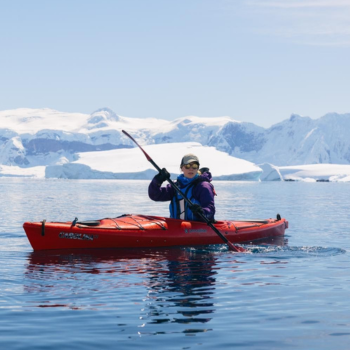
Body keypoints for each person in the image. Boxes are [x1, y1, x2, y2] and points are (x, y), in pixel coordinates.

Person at [148, 154, 216, 222]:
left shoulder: (203, 186)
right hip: (177, 227)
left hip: (197, 229)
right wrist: (158, 180)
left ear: (198, 168)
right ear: (181, 168)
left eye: (194, 166)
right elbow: (155, 195)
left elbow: (210, 211)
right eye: (187, 166)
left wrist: (201, 212)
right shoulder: (176, 186)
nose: (191, 169)